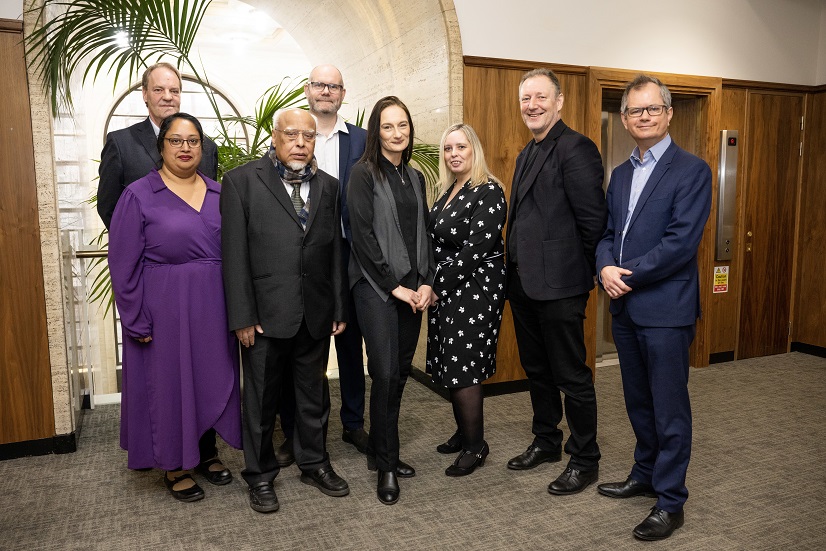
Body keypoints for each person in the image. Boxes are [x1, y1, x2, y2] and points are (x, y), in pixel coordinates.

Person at [595, 75, 711, 541]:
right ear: (624, 118)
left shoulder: (692, 170)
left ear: (667, 114)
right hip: (625, 309)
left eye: (652, 109)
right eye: (634, 111)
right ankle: (644, 474)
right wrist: (605, 268)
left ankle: (670, 500)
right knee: (638, 402)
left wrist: (626, 276)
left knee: (669, 408)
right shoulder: (620, 174)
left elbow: (680, 243)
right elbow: (607, 233)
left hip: (665, 310)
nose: (643, 117)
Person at [221, 108, 349, 514]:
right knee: (261, 402)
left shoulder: (329, 187)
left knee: (314, 397)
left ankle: (314, 463)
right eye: (291, 134)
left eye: (308, 136)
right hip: (262, 317)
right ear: (274, 136)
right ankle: (259, 476)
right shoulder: (241, 181)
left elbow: (334, 252)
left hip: (314, 312)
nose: (300, 142)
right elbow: (234, 255)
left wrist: (337, 306)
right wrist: (241, 315)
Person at [108, 112, 241, 503]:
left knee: (210, 376)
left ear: (202, 147)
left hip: (214, 306)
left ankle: (206, 453)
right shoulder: (138, 194)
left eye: (193, 141)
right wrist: (133, 317)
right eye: (176, 141)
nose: (186, 148)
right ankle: (174, 463)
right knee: (170, 384)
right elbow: (123, 262)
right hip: (163, 308)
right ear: (161, 146)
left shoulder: (221, 193)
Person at [505, 68, 607, 495]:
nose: (532, 105)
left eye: (540, 97)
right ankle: (547, 440)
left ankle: (585, 459)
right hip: (525, 285)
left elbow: (592, 223)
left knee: (571, 375)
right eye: (526, 98)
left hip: (561, 287)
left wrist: (582, 278)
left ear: (558, 101)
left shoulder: (577, 148)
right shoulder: (528, 152)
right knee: (537, 371)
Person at [348, 96, 435, 505]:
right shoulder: (363, 174)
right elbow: (362, 238)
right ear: (375, 131)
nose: (396, 133)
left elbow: (424, 233)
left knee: (399, 374)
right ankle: (385, 465)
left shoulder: (415, 177)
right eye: (388, 126)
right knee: (383, 373)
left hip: (412, 289)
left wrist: (426, 283)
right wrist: (394, 286)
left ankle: (386, 451)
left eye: (403, 126)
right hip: (375, 288)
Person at [426, 123, 506, 477]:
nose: (454, 154)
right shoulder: (447, 190)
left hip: (475, 289)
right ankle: (464, 432)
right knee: (450, 361)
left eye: (461, 147)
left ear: (474, 150)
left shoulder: (488, 190)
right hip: (449, 289)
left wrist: (434, 286)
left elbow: (474, 251)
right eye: (448, 149)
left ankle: (476, 446)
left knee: (464, 368)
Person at [97, 62, 218, 229]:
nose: (168, 97)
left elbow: (210, 205)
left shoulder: (207, 148)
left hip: (197, 250)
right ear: (145, 94)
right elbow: (108, 207)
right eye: (158, 90)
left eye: (174, 91)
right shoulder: (120, 144)